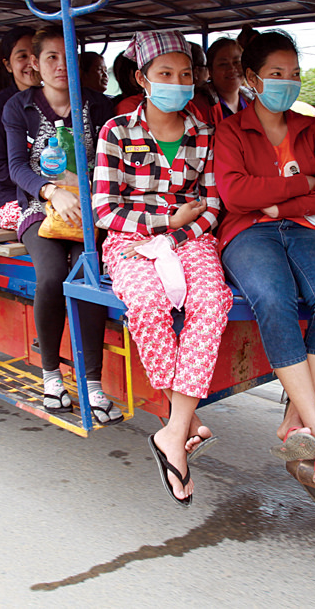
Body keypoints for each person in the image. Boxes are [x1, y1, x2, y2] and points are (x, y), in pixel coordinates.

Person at [94, 31, 232, 506]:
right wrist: (163, 221)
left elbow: (213, 206)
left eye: (186, 75)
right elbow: (105, 211)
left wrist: (176, 235)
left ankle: (172, 432)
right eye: (166, 75)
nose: (178, 83)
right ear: (142, 78)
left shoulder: (204, 131)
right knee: (148, 303)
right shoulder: (115, 132)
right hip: (132, 238)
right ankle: (183, 421)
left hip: (192, 237)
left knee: (214, 300)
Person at [213, 31, 315, 495]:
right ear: (252, 78)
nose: (288, 83)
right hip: (245, 231)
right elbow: (236, 194)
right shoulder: (232, 130)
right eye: (277, 75)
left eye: (294, 75)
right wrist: (300, 184)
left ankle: (298, 419)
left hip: (303, 227)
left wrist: (280, 204)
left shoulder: (310, 128)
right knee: (275, 297)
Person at [2, 24, 119, 423]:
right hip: (40, 208)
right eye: (50, 57)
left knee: (88, 276)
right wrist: (53, 191)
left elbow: (109, 161)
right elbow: (17, 166)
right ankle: (51, 375)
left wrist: (88, 198)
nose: (60, 65)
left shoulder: (98, 106)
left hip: (90, 211)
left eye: (66, 56)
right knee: (52, 276)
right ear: (35, 63)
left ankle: (92, 383)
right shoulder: (19, 107)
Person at [0, 26, 38, 231]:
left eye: (35, 54)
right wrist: (43, 184)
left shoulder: (62, 99)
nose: (31, 62)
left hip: (64, 192)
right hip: (16, 198)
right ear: (7, 65)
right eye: (22, 56)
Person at [203, 38, 248, 117]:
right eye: (223, 64)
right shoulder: (200, 108)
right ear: (210, 70)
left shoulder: (253, 101)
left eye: (237, 62)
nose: (232, 69)